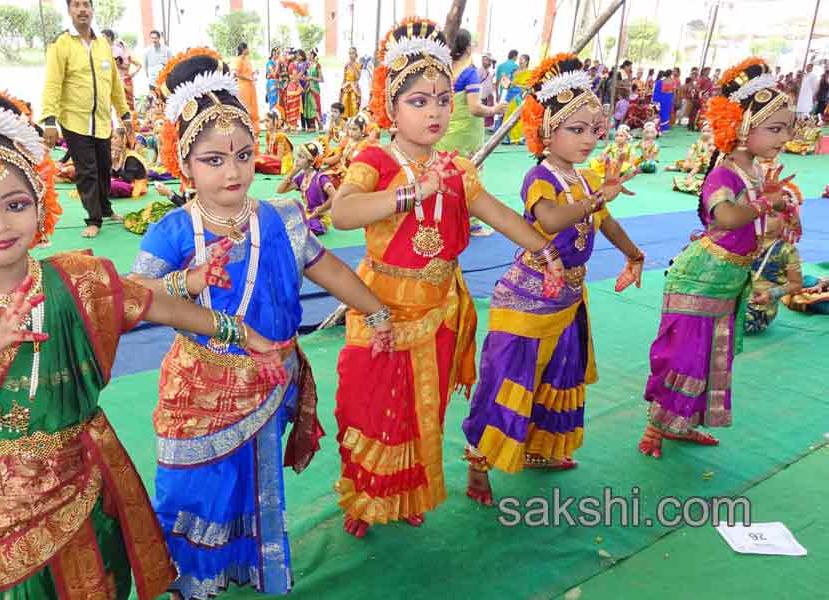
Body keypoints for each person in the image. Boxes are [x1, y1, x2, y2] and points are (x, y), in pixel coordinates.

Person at [0, 83, 291, 600]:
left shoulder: (79, 280)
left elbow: (146, 300)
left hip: (88, 489)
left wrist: (235, 327)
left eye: (15, 202)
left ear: (41, 205)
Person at [129, 48, 393, 599]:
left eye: (244, 155)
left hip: (270, 378)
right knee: (195, 487)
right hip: (201, 385)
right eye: (213, 159)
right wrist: (188, 281)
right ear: (185, 163)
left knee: (254, 480)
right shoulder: (173, 232)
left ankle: (248, 566)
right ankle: (189, 578)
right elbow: (133, 300)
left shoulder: (283, 218)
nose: (232, 170)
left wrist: (374, 307)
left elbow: (328, 268)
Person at [331, 17, 567, 539]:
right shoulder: (374, 159)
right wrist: (410, 194)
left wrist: (545, 249)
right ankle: (367, 496)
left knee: (422, 411)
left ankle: (407, 489)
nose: (435, 110)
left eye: (442, 98)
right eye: (418, 100)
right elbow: (341, 213)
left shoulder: (458, 169)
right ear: (390, 109)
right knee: (374, 410)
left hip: (439, 310)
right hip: (384, 310)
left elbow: (501, 215)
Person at [463, 54, 642, 498]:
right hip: (529, 299)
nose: (588, 139)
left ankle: (540, 448)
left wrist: (634, 255)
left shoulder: (583, 180)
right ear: (546, 130)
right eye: (575, 129)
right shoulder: (539, 177)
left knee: (558, 374)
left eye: (592, 129)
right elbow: (551, 219)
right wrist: (595, 199)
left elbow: (606, 223)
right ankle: (478, 463)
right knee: (511, 379)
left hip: (568, 299)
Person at [639, 58, 797, 459]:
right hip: (703, 277)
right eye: (775, 128)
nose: (785, 136)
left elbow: (754, 221)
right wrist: (766, 203)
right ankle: (655, 431)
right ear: (743, 129)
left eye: (786, 128)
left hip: (730, 278)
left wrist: (780, 211)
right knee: (686, 356)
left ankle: (682, 423)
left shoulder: (754, 172)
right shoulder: (724, 174)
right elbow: (725, 217)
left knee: (713, 354)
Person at [40, 0, 133, 239]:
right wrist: (49, 120)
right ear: (69, 11)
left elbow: (114, 84)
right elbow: (52, 83)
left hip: (102, 121)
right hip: (74, 120)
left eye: (86, 5)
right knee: (87, 170)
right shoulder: (60, 44)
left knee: (104, 168)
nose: (82, 10)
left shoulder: (103, 43)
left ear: (92, 10)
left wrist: (125, 115)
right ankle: (93, 219)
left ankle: (105, 208)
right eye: (76, 5)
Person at [435, 29, 506, 158]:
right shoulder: (469, 73)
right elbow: (475, 108)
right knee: (464, 174)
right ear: (468, 48)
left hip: (441, 135)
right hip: (462, 139)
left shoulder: (442, 70)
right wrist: (494, 110)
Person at [745, 184, 804, 334]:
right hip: (734, 302)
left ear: (785, 222)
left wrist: (771, 294)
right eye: (761, 214)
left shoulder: (787, 250)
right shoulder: (746, 240)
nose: (763, 218)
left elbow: (796, 285)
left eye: (771, 215)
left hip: (757, 312)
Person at [278, 140, 335, 235]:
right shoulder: (302, 178)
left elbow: (334, 196)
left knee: (299, 227)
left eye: (301, 157)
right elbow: (280, 190)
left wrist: (319, 210)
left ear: (311, 161)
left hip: (320, 218)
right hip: (308, 214)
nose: (297, 159)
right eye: (298, 156)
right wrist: (293, 172)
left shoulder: (320, 178)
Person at [103, 29, 141, 110]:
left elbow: (119, 64)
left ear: (109, 38)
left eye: (103, 36)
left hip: (122, 82)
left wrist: (131, 73)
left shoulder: (115, 51)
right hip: (118, 81)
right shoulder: (106, 50)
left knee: (125, 106)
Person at [233, 41, 260, 140]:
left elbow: (247, 73)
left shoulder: (247, 60)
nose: (248, 50)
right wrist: (248, 78)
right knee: (246, 107)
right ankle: (245, 131)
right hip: (243, 87)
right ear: (243, 49)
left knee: (253, 108)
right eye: (247, 48)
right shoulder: (239, 60)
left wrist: (253, 73)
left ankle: (254, 131)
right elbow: (236, 74)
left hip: (251, 86)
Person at [503, 53, 531, 144]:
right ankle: (507, 137)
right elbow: (508, 85)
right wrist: (506, 82)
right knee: (508, 116)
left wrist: (516, 85)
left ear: (527, 61)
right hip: (510, 96)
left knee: (518, 117)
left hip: (520, 97)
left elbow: (529, 87)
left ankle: (518, 138)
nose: (520, 61)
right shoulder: (514, 71)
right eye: (519, 59)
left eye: (522, 59)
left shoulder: (529, 73)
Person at [303, 48, 324, 132]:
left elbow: (321, 79)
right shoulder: (309, 65)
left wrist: (311, 77)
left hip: (315, 89)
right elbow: (308, 78)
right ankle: (312, 126)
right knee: (309, 108)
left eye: (308, 54)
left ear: (312, 55)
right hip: (309, 89)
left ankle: (320, 126)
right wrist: (305, 88)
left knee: (315, 107)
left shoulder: (317, 65)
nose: (307, 56)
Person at [340, 46, 362, 118]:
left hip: (354, 88)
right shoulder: (346, 65)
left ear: (356, 54)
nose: (350, 55)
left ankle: (354, 123)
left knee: (354, 106)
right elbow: (344, 78)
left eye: (352, 53)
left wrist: (353, 66)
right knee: (344, 105)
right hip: (347, 87)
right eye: (349, 53)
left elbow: (358, 77)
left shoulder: (358, 65)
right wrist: (341, 88)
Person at [477, 53, 496, 129]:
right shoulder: (480, 70)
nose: (486, 62)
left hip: (487, 95)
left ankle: (486, 125)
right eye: (485, 60)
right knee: (482, 111)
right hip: (481, 95)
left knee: (487, 111)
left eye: (488, 60)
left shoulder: (489, 71)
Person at [265, 47, 280, 111]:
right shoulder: (269, 62)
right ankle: (273, 118)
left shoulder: (276, 62)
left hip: (277, 83)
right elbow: (273, 74)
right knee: (273, 103)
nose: (278, 55)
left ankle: (276, 118)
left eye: (278, 53)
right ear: (273, 53)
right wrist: (277, 65)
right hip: (272, 83)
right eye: (276, 53)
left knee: (276, 102)